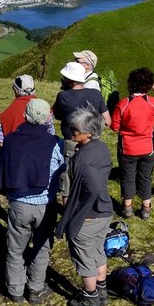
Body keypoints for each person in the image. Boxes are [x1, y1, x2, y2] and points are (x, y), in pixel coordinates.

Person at [0, 98, 65, 304]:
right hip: (45, 203)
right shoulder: (55, 143)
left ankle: (16, 290)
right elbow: (62, 170)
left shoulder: (10, 140)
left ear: (25, 115)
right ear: (47, 119)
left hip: (18, 202)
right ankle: (35, 288)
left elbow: (5, 167)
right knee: (41, 246)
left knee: (15, 248)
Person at [55, 106, 112, 306]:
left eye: (75, 130)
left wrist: (81, 209)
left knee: (84, 257)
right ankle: (101, 289)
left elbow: (93, 187)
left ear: (88, 132)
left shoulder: (81, 160)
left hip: (88, 217)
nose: (71, 133)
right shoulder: (102, 147)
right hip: (105, 212)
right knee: (98, 251)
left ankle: (91, 299)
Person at [109, 67, 154, 219]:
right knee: (145, 177)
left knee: (128, 177)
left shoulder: (123, 104)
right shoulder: (152, 103)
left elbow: (114, 127)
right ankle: (146, 209)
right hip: (149, 148)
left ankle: (127, 208)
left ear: (130, 84)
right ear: (148, 85)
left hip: (128, 149)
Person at [52, 61, 106, 203]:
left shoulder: (63, 96)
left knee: (68, 177)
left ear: (68, 80)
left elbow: (56, 115)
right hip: (93, 141)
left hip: (72, 142)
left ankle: (68, 211)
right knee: (90, 175)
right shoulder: (96, 93)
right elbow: (108, 120)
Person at [0, 74, 36, 145]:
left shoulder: (8, 113)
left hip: (15, 153)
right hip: (40, 152)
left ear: (16, 91)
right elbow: (51, 132)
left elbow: (1, 142)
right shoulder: (44, 109)